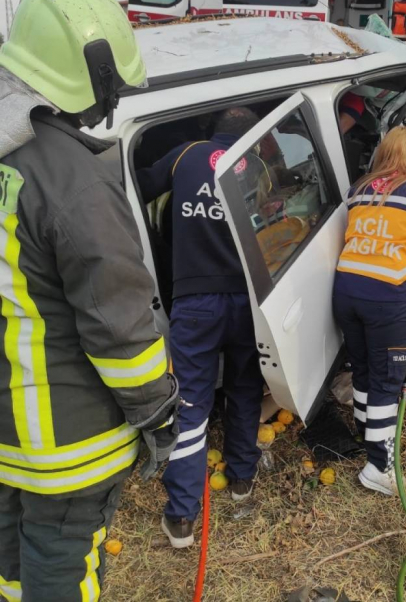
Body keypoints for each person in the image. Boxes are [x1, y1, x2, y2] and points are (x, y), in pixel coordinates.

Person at [0, 0, 179, 602]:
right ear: (94, 78)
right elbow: (121, 329)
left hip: (8, 432)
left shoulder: (9, 163)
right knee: (59, 567)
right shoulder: (74, 179)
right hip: (68, 445)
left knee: (12, 571)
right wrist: (159, 411)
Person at [137, 107, 266, 549]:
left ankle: (181, 519)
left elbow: (138, 186)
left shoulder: (186, 154)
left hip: (194, 302)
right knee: (245, 388)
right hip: (248, 301)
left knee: (191, 404)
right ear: (249, 138)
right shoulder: (260, 169)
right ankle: (242, 479)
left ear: (213, 131)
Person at [334, 126, 406, 495]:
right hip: (386, 297)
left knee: (364, 369)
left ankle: (369, 436)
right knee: (389, 377)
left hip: (347, 289)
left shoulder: (358, 190)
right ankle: (378, 466)